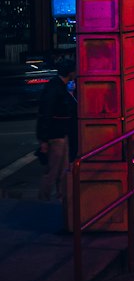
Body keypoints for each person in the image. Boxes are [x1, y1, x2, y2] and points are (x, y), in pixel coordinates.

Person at [36, 57, 77, 206]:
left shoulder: (60, 87)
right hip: (56, 134)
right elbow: (46, 113)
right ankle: (44, 199)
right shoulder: (56, 89)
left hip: (61, 133)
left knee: (62, 169)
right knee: (53, 170)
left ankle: (60, 197)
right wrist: (44, 139)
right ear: (70, 72)